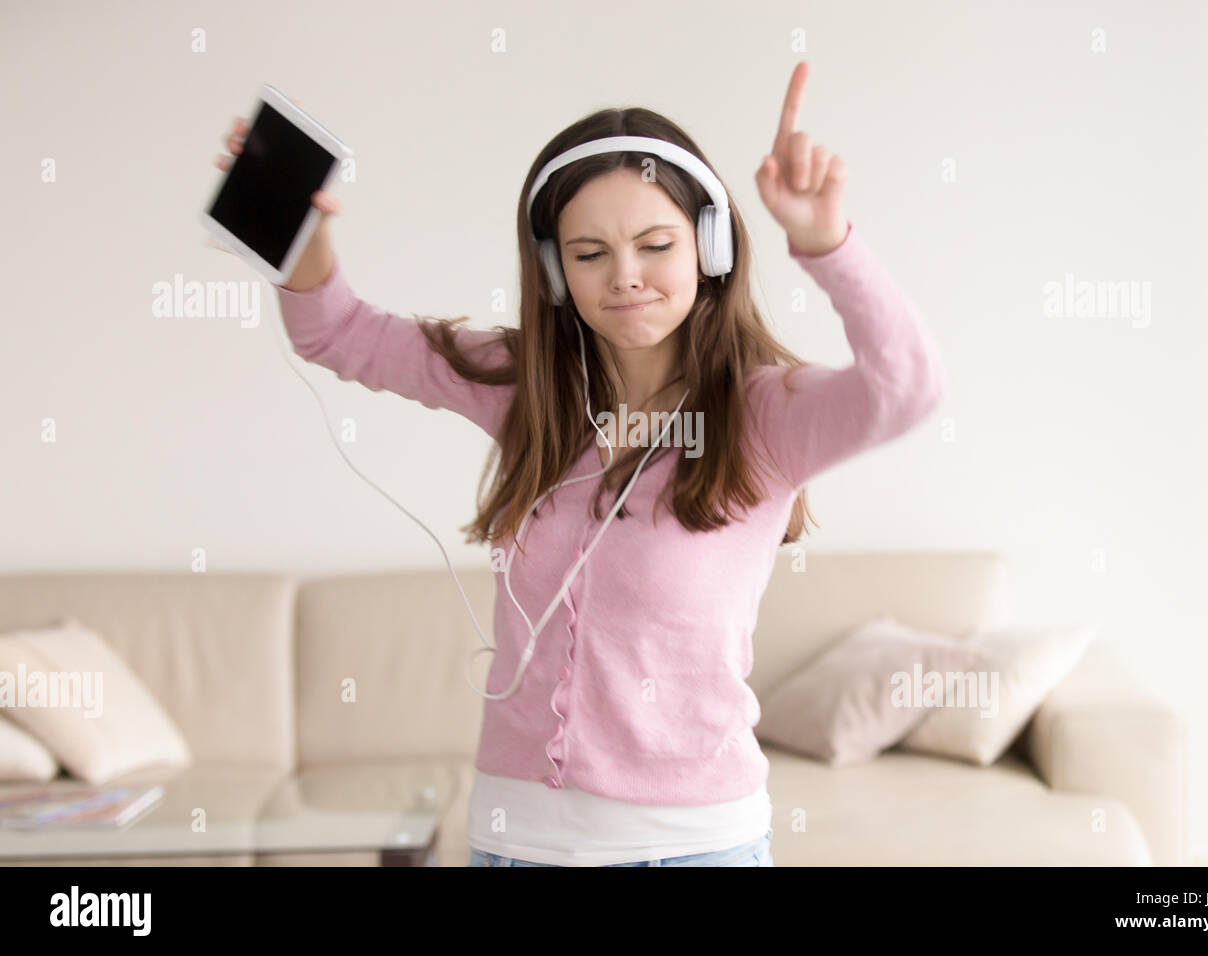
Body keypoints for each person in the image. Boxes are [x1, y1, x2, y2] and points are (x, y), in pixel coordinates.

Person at [215, 62, 946, 867]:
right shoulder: (525, 387)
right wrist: (299, 232)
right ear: (556, 272)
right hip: (516, 840)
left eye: (656, 244)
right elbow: (338, 333)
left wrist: (824, 244)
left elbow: (907, 387)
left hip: (696, 846)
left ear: (708, 245)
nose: (625, 275)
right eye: (590, 252)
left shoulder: (762, 417)